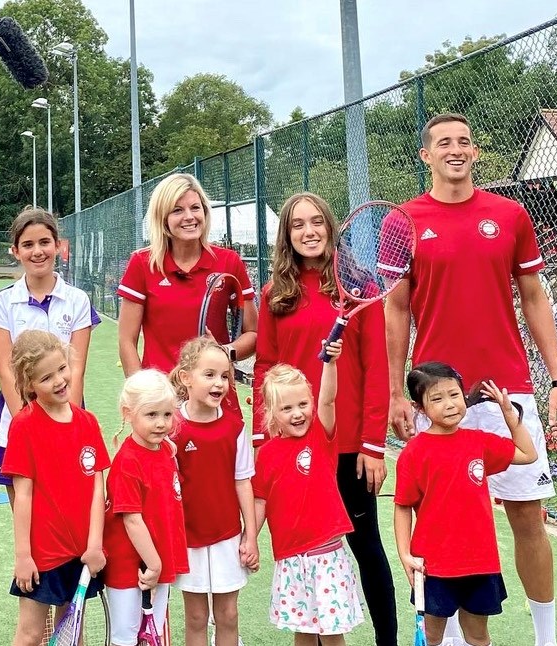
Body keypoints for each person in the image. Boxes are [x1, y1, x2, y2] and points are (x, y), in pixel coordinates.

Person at [384, 113, 557, 646]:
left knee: (529, 521)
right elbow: (395, 311)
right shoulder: (402, 220)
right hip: (434, 396)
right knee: (438, 526)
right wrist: (397, 390)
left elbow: (535, 297)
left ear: (475, 153)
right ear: (426, 155)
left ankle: (546, 639)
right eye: (444, 142)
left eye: (465, 141)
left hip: (506, 392)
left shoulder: (510, 215)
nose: (456, 149)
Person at [252, 191, 397, 645]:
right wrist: (263, 436)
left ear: (331, 228)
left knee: (366, 549)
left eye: (317, 222)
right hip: (297, 450)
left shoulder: (361, 288)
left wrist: (373, 446)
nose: (309, 231)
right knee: (302, 554)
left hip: (349, 446)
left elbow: (377, 369)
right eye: (298, 225)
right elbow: (264, 368)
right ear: (287, 235)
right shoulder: (276, 294)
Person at [394, 363, 539, 646]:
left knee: (477, 636)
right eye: (437, 399)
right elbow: (402, 506)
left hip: (479, 562)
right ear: (419, 408)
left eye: (454, 395)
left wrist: (509, 414)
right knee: (432, 636)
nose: (449, 405)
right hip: (434, 567)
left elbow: (527, 454)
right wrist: (404, 555)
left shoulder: (478, 442)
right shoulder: (414, 453)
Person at [117, 173, 257, 426]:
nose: (189, 217)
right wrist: (143, 397)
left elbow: (253, 334)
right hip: (164, 401)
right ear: (163, 219)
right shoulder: (141, 264)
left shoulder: (229, 262)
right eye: (177, 210)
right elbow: (127, 340)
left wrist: (223, 353)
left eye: (195, 208)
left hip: (217, 396)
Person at [251, 342, 365, 646]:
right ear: (272, 412)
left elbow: (329, 400)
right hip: (290, 559)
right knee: (302, 632)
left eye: (303, 404)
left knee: (331, 634)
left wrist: (330, 362)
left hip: (327, 556)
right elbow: (259, 501)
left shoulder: (320, 436)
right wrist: (250, 540)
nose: (297, 413)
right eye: (287, 408)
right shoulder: (266, 454)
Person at [0, 330, 108, 646]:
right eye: (46, 377)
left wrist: (95, 545)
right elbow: (23, 495)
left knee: (72, 631)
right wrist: (23, 556)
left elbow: (97, 491)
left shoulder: (87, 422)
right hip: (43, 557)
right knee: (31, 634)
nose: (59, 380)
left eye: (62, 369)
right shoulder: (24, 426)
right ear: (29, 384)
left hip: (82, 552)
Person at [0, 208, 98, 501]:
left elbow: (77, 366)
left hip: (68, 418)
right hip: (18, 424)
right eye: (28, 244)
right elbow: (5, 370)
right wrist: (28, 425)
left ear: (58, 246)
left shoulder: (78, 300)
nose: (38, 251)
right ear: (15, 251)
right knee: (26, 515)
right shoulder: (5, 301)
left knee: (72, 509)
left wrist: (65, 424)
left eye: (45, 242)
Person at [168, 337, 258, 646]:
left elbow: (243, 480)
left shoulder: (234, 428)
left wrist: (251, 535)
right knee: (194, 618)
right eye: (209, 375)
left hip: (227, 538)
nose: (219, 383)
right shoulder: (171, 427)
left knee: (228, 615)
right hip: (187, 539)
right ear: (185, 378)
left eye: (225, 376)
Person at [101, 369, 190, 646]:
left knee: (151, 636)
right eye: (151, 415)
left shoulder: (165, 450)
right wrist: (153, 563)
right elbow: (132, 520)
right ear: (128, 413)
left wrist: (158, 564)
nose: (162, 423)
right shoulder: (128, 462)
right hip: (133, 570)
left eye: (166, 414)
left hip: (157, 565)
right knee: (126, 639)